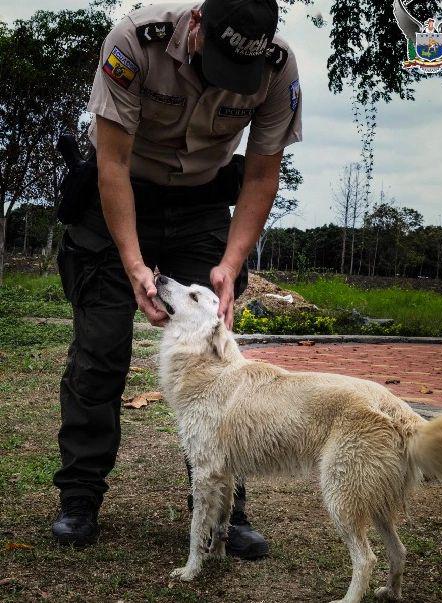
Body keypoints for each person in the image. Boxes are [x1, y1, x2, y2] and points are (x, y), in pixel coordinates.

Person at [52, 0, 302, 559]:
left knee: (220, 363)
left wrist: (230, 266)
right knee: (100, 351)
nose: (223, 85)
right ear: (196, 26)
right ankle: (80, 498)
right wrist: (136, 265)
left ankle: (222, 509)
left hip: (200, 207)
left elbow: (261, 172)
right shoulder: (135, 41)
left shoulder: (277, 68)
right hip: (119, 196)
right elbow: (111, 165)